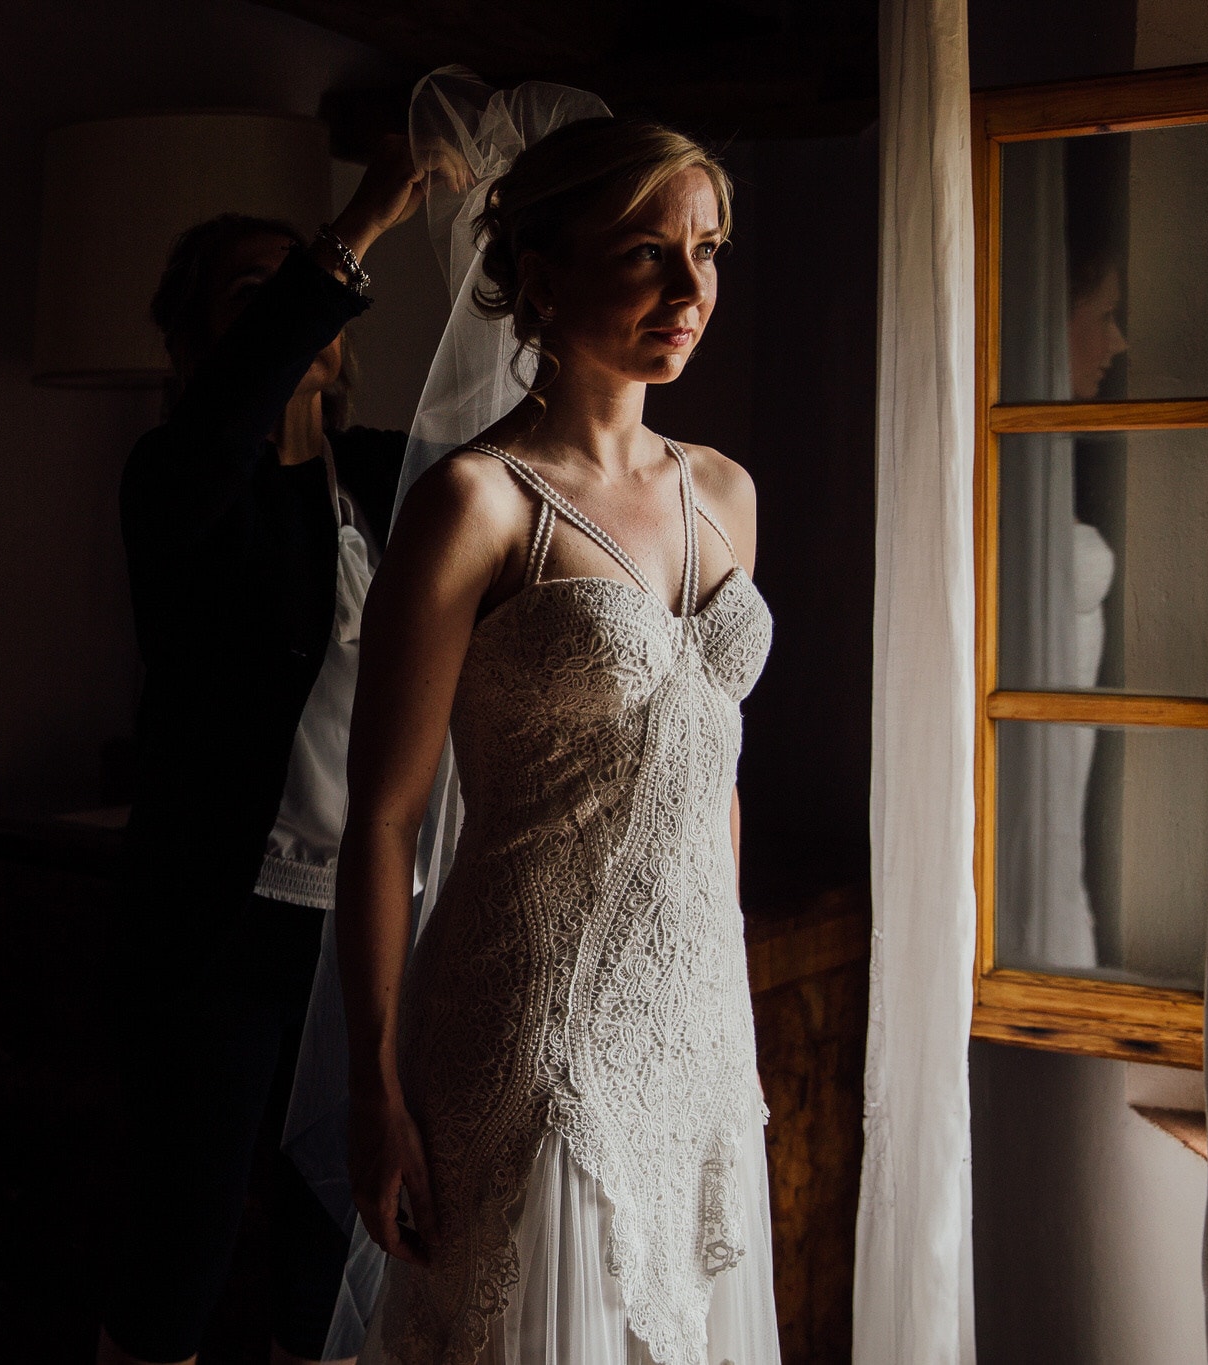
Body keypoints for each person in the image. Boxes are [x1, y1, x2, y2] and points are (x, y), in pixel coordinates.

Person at [336, 114, 782, 1365]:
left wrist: (720, 992)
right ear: (540, 277)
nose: (691, 291)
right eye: (647, 253)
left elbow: (712, 770)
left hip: (694, 1023)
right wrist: (369, 1090)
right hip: (527, 1027)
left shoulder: (726, 493)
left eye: (709, 250)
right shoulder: (474, 504)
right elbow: (377, 819)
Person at [96, 138, 424, 1365]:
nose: (304, 299)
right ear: (192, 343)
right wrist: (365, 216)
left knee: (333, 1241)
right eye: (254, 290)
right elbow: (227, 424)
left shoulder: (391, 479)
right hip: (221, 925)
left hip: (366, 928)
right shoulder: (172, 481)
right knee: (178, 1243)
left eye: (310, 286)